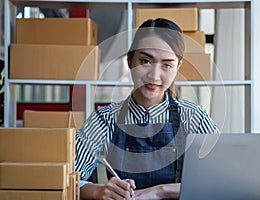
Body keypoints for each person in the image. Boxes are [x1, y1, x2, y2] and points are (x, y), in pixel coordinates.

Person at [75, 18, 219, 200]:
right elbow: (70, 179)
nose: (154, 75)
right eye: (145, 61)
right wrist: (99, 191)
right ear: (130, 60)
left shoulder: (193, 117)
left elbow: (219, 180)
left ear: (177, 68)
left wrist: (160, 191)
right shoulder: (105, 120)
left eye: (167, 65)